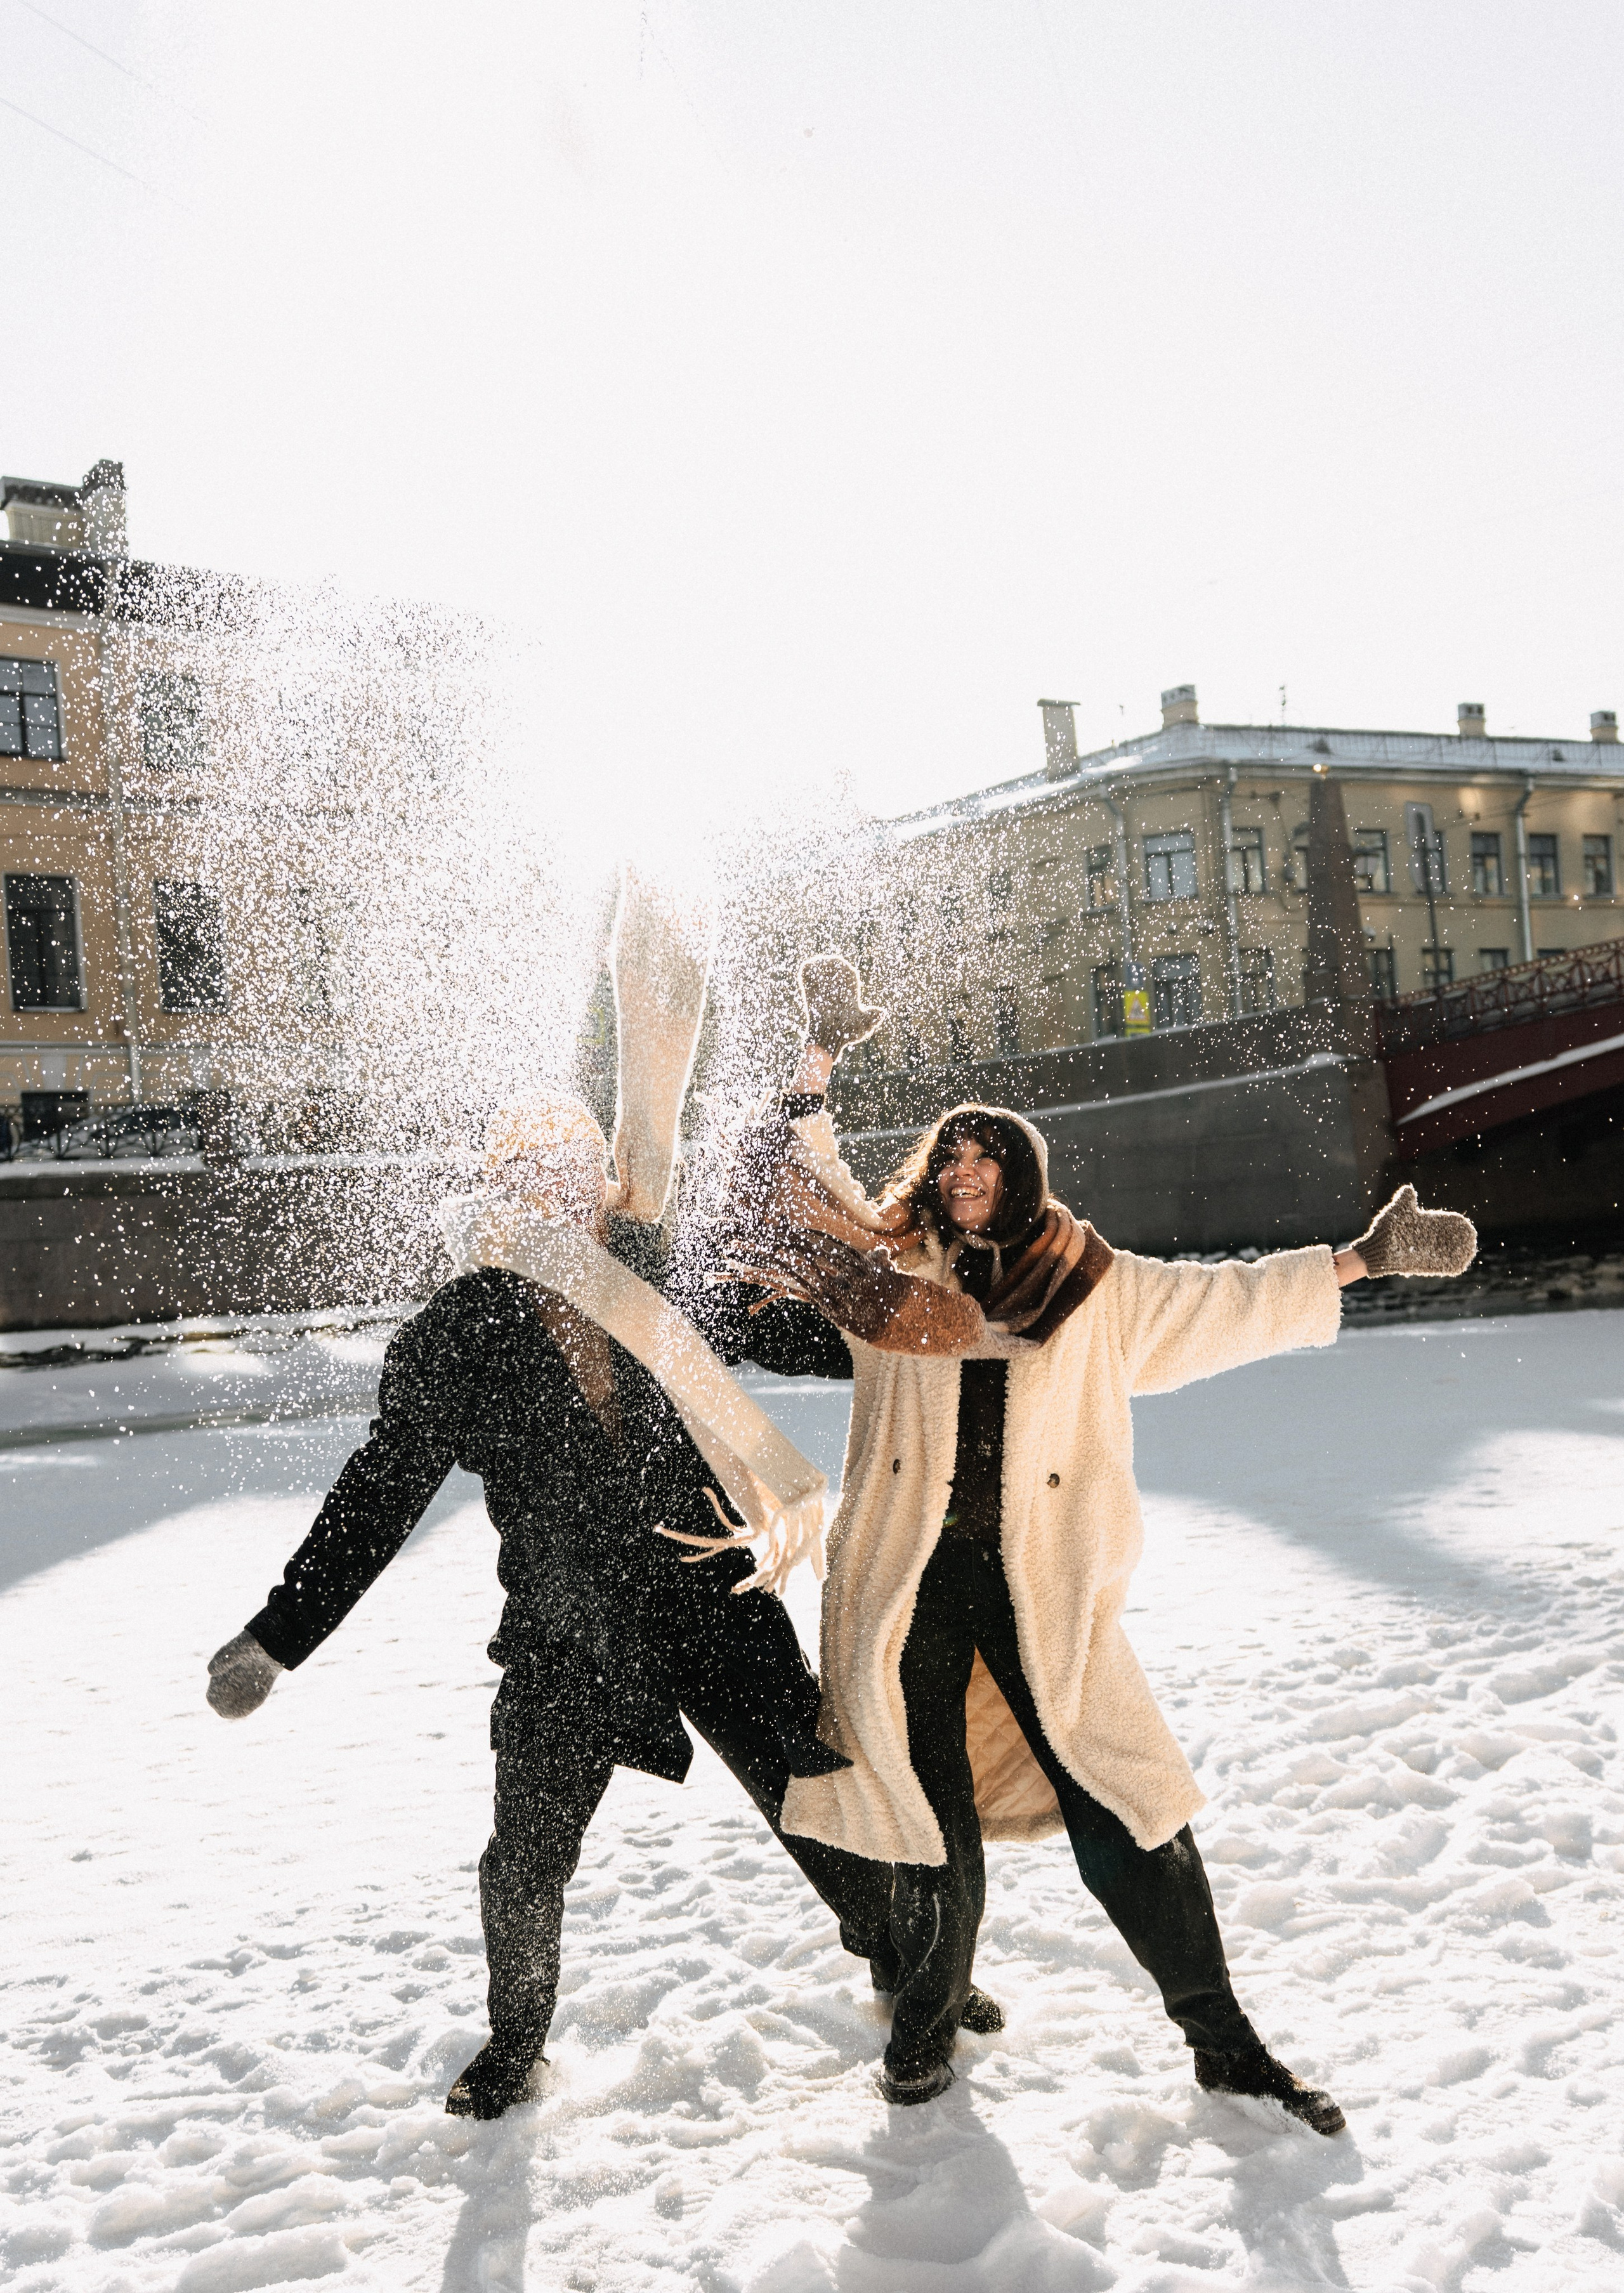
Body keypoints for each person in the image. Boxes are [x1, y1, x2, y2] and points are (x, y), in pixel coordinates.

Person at [714, 955, 1478, 2124]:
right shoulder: (890, 1277)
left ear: (1022, 1177)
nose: (968, 1168)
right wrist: (815, 1056)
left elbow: (1222, 1301)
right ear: (932, 1172)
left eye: (993, 1155)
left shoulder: (1094, 1286)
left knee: (1126, 1805)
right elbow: (800, 1186)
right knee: (925, 1819)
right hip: (906, 1586)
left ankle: (1222, 2041)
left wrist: (1363, 1258)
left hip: (1045, 1591)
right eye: (953, 1152)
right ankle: (922, 2032)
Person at [204, 1088, 909, 2120]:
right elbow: (378, 1493)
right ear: (498, 1189)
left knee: (817, 1796)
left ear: (601, 1182)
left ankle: (905, 1972)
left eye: (571, 1165)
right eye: (526, 1169)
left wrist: (913, 1342)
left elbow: (795, 1336)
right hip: (567, 1628)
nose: (552, 1186)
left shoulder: (660, 1274)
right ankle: (516, 2041)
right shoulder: (459, 1328)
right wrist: (277, 1638)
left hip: (714, 1595)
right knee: (525, 1858)